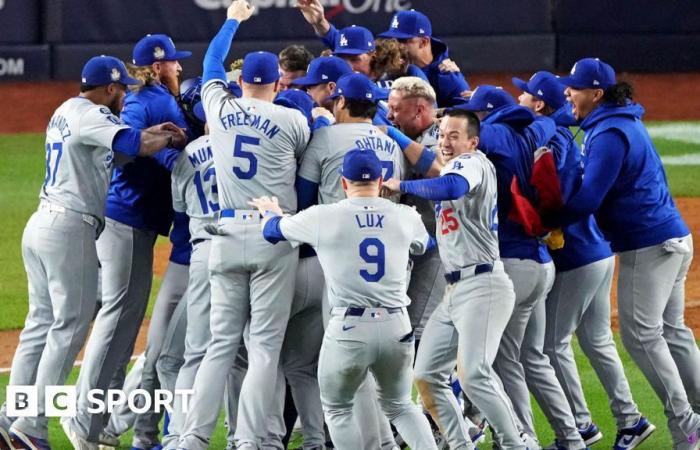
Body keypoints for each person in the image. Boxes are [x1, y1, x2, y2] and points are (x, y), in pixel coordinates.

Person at [0, 55, 185, 450]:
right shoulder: (91, 114)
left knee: (40, 325)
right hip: (69, 228)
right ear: (113, 89)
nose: (124, 99)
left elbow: (119, 152)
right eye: (122, 93)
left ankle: (10, 415)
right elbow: (130, 142)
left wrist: (154, 133)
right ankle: (31, 425)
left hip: (42, 224)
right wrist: (169, 138)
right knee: (69, 327)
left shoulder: (68, 111)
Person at [174, 1, 310, 448]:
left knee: (219, 346)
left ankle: (191, 437)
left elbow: (211, 61)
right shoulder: (292, 119)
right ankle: (251, 440)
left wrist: (233, 18)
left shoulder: (217, 105)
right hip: (274, 236)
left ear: (240, 82)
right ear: (276, 82)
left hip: (225, 235)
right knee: (265, 348)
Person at [548, 57, 700, 450]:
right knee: (673, 331)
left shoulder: (610, 134)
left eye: (574, 87)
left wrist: (547, 219)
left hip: (647, 246)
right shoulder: (617, 121)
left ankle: (687, 427)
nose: (567, 92)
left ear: (596, 93)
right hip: (672, 239)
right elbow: (568, 116)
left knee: (641, 337)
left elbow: (588, 199)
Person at [249, 149, 438, 450]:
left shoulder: (325, 215)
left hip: (349, 328)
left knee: (338, 409)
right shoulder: (405, 215)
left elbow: (272, 233)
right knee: (400, 406)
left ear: (343, 183)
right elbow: (427, 245)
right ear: (380, 180)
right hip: (396, 325)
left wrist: (271, 211)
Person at [60, 34, 193, 450]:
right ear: (156, 67)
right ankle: (83, 418)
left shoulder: (158, 96)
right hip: (125, 219)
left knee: (124, 321)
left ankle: (96, 423)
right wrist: (170, 154)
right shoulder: (141, 101)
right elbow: (123, 144)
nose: (179, 68)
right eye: (173, 63)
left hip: (136, 222)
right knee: (118, 318)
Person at [511, 70, 656, 450]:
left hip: (576, 256)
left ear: (538, 103)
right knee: (597, 340)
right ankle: (630, 420)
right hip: (598, 252)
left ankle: (581, 425)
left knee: (550, 346)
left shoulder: (548, 140)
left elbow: (551, 194)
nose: (519, 99)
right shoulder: (559, 131)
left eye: (524, 95)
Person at [382, 108, 525, 450]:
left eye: (453, 136)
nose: (445, 142)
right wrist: (394, 134)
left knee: (474, 373)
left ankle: (518, 443)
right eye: (442, 134)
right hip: (456, 290)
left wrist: (401, 184)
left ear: (472, 142)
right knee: (427, 374)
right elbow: (434, 165)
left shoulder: (472, 163)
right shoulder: (454, 163)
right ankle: (461, 444)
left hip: (483, 285)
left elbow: (452, 185)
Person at [296, 71, 411, 450]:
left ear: (340, 101)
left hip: (339, 263)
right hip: (394, 262)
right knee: (392, 388)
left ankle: (374, 443)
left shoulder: (325, 137)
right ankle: (385, 442)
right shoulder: (387, 143)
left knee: (348, 373)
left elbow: (303, 195)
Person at [378, 9, 469, 107]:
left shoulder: (447, 77)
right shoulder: (388, 67)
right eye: (393, 40)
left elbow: (468, 116)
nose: (395, 46)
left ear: (423, 42)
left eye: (403, 40)